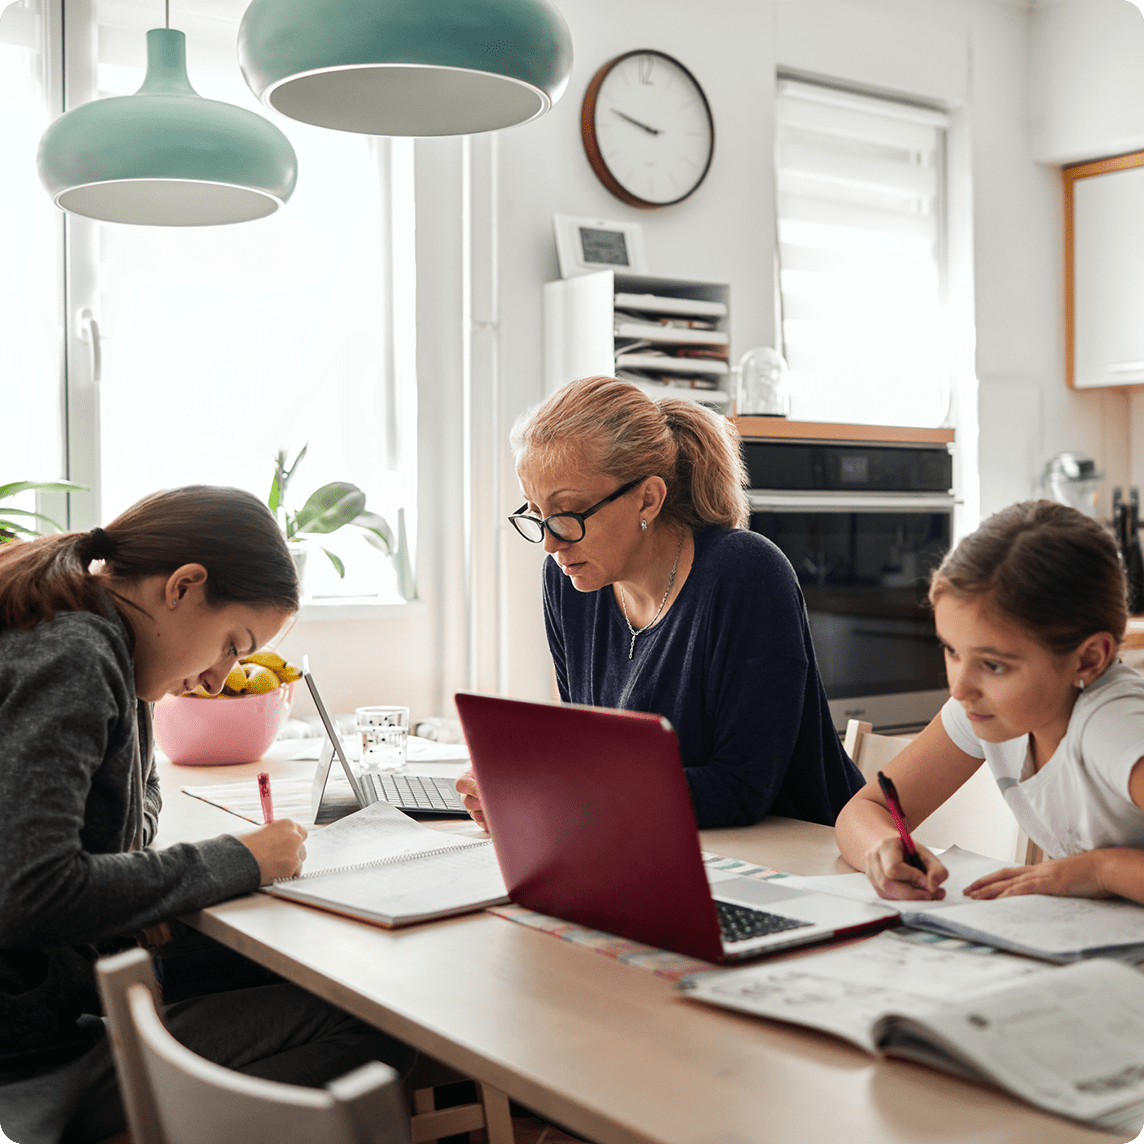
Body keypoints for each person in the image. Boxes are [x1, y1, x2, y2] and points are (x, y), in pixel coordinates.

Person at [0, 486, 414, 1144]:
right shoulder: (75, 656)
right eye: (232, 643)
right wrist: (240, 860)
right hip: (31, 1054)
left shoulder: (100, 637)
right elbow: (30, 891)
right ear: (185, 587)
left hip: (48, 999)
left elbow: (132, 805)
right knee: (382, 1031)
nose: (221, 678)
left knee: (278, 966)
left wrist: (154, 878)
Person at [456, 375, 863, 830]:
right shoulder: (569, 581)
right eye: (536, 514)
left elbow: (741, 790)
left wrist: (561, 794)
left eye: (567, 515)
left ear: (647, 499)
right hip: (659, 845)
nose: (550, 543)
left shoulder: (747, 574)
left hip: (805, 860)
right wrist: (523, 786)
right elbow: (591, 755)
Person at [835, 498, 1144, 905]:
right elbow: (865, 808)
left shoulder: (1113, 725)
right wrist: (882, 847)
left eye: (993, 665)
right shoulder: (990, 710)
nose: (960, 688)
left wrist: (1100, 869)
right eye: (952, 651)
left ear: (1088, 659)